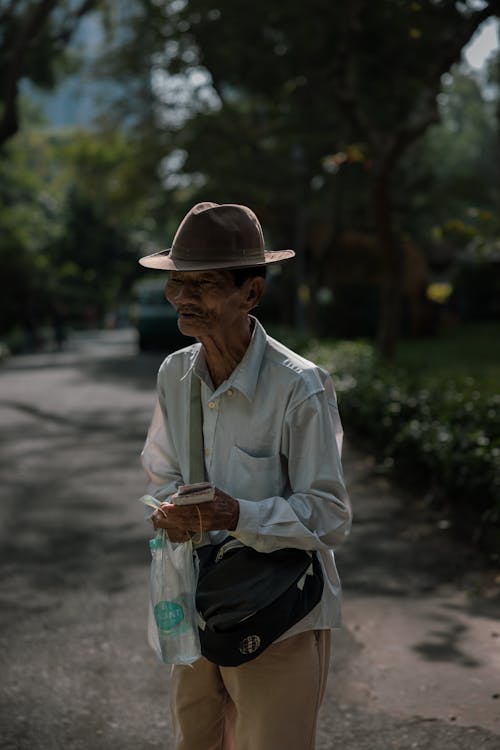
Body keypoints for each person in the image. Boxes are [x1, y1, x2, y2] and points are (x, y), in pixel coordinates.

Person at [140, 202, 352, 750]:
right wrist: (172, 508)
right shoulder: (175, 373)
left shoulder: (299, 386)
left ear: (250, 293)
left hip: (279, 612)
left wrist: (238, 515)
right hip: (196, 600)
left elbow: (329, 515)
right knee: (196, 741)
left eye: (204, 284)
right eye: (177, 283)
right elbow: (162, 471)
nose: (183, 299)